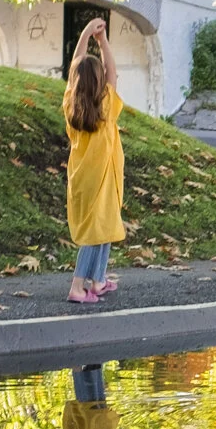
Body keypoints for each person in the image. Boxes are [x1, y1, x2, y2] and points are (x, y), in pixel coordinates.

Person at [63, 17, 125, 303]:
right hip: (102, 177)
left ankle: (98, 281)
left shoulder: (71, 105)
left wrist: (86, 34)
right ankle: (78, 287)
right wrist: (102, 41)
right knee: (94, 231)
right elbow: (113, 71)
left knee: (104, 225)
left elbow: (77, 64)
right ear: (100, 82)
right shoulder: (106, 105)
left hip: (83, 178)